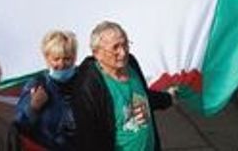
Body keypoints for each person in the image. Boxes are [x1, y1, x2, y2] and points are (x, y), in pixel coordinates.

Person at [71, 20, 173, 151]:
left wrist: (168, 98)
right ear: (97, 53)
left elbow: (144, 96)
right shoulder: (87, 86)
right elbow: (88, 138)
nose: (123, 53)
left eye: (125, 44)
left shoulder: (131, 63)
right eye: (115, 48)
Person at [14, 30, 78, 150]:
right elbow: (18, 127)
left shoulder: (84, 84)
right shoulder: (37, 85)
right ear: (47, 59)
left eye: (67, 59)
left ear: (74, 58)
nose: (62, 64)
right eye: (56, 59)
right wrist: (33, 107)